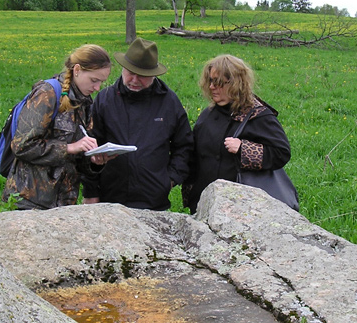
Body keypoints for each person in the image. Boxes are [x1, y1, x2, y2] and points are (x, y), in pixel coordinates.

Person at [82, 37, 193, 210]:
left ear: (154, 74)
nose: (134, 79)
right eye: (130, 72)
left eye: (142, 75)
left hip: (153, 201)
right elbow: (90, 147)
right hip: (110, 199)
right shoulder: (105, 99)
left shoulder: (169, 102)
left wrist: (169, 181)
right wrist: (91, 193)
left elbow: (184, 146)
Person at [2, 44, 112, 209]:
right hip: (28, 201)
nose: (97, 88)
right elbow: (22, 145)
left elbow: (76, 160)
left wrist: (94, 160)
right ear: (77, 70)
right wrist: (68, 148)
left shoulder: (85, 102)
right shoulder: (47, 94)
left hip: (64, 202)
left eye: (101, 82)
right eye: (94, 80)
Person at [183, 54, 291, 214]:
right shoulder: (208, 114)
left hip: (241, 208)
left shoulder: (258, 115)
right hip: (204, 202)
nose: (212, 87)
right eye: (210, 81)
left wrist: (244, 148)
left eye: (218, 82)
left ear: (235, 84)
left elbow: (281, 152)